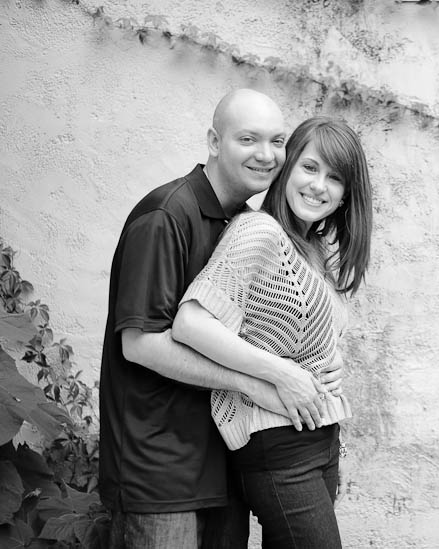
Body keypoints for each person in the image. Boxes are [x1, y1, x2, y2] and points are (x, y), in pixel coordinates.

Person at [99, 89, 342, 549]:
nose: (265, 155)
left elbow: (265, 332)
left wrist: (317, 367)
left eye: (277, 141)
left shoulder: (245, 222)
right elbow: (141, 343)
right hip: (160, 469)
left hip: (222, 461)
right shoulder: (166, 214)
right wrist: (262, 381)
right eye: (248, 139)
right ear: (214, 140)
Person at [171, 115, 373, 548]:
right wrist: (282, 373)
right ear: (286, 168)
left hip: (319, 437)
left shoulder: (313, 248)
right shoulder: (260, 232)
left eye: (335, 178)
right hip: (277, 443)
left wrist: (329, 361)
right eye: (310, 167)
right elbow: (191, 322)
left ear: (345, 197)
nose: (320, 186)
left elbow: (295, 330)